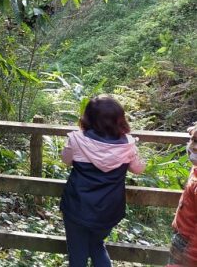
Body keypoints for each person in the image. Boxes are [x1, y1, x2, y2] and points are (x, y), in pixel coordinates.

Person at [60, 95, 146, 267]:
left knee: (77, 253)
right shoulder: (127, 145)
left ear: (88, 117)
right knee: (97, 246)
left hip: (77, 206)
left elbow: (66, 160)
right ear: (119, 119)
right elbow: (138, 169)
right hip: (108, 209)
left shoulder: (77, 139)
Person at [167, 123, 197, 267]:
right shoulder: (196, 168)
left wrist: (189, 256)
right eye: (193, 140)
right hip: (182, 237)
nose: (193, 147)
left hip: (189, 246)